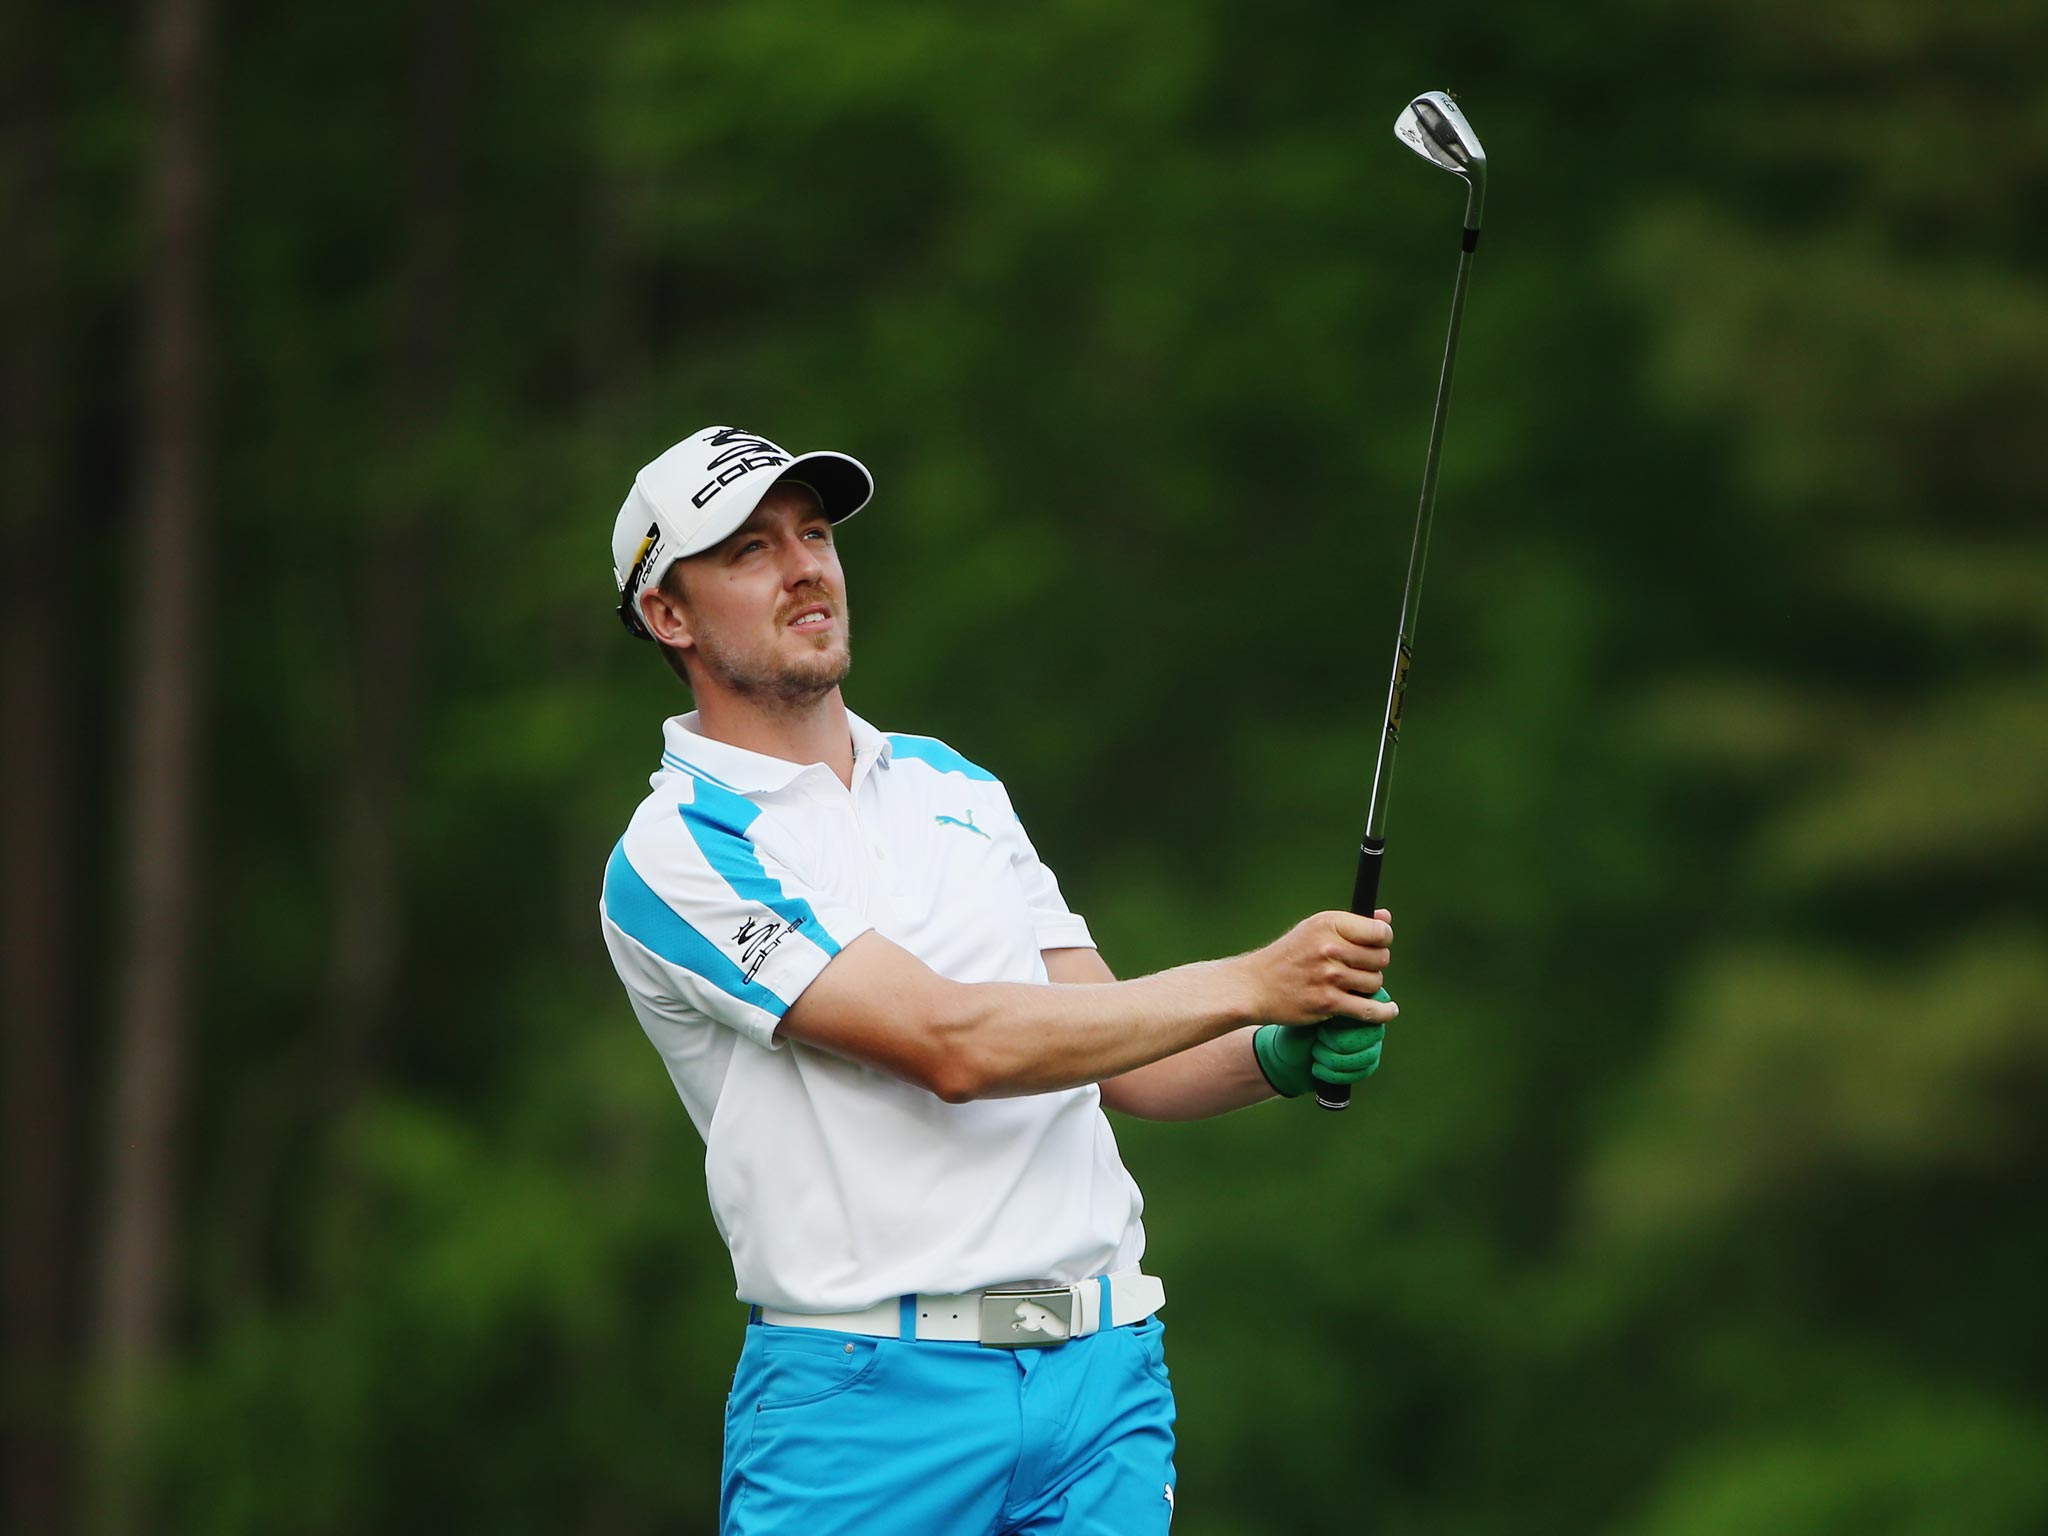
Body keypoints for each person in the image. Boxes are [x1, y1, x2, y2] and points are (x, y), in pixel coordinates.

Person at [598, 425, 1398, 1535]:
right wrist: (1253, 980)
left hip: (1099, 1383)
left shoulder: (950, 784)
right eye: (747, 550)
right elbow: (952, 1047)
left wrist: (1275, 1050)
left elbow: (1117, 1057)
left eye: (815, 533)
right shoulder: (675, 850)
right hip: (863, 1405)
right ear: (666, 614)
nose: (804, 568)